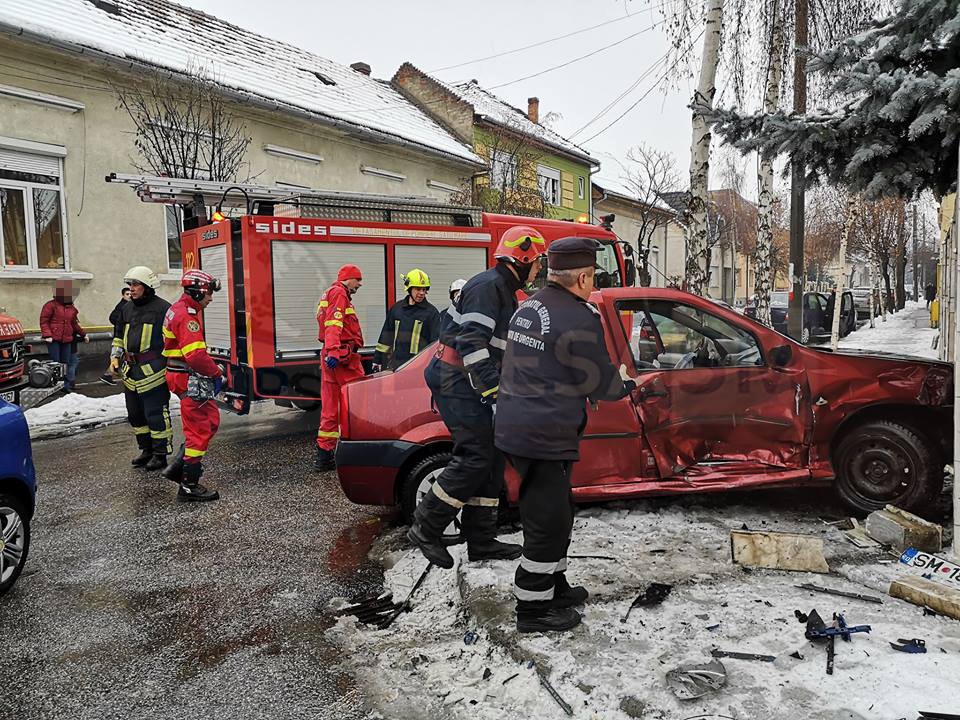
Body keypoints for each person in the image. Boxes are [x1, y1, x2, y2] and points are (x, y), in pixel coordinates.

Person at [495, 236, 637, 633]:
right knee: (548, 521)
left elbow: (547, 363)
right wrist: (624, 383)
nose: (593, 285)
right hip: (544, 432)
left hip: (518, 425)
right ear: (583, 278)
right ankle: (533, 609)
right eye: (592, 278)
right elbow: (598, 381)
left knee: (557, 513)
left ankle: (553, 586)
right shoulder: (578, 316)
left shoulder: (530, 306)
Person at [408, 225, 546, 570]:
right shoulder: (488, 288)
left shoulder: (503, 289)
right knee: (474, 455)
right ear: (523, 258)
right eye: (538, 261)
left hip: (463, 379)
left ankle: (481, 540)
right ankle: (426, 526)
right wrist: (495, 391)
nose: (540, 268)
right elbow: (472, 344)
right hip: (455, 378)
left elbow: (497, 347)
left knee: (491, 456)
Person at [160, 269, 223, 502]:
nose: (210, 298)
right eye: (208, 293)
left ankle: (179, 468)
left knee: (208, 422)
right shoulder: (186, 316)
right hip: (187, 377)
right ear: (197, 291)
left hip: (181, 376)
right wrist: (216, 372)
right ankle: (188, 484)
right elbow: (195, 355)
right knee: (200, 428)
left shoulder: (178, 310)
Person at [112, 266, 173, 470]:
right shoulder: (127, 308)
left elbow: (172, 340)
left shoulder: (163, 309)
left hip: (154, 371)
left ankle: (160, 454)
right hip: (130, 370)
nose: (132, 288)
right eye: (130, 284)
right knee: (135, 414)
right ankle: (146, 450)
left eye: (136, 284)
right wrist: (114, 357)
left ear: (147, 286)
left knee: (155, 413)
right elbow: (118, 334)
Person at [314, 264, 365, 471]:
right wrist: (335, 351)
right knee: (358, 404)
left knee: (330, 407)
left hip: (331, 357)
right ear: (348, 279)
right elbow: (333, 325)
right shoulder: (339, 293)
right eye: (357, 280)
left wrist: (331, 352)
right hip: (343, 358)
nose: (359, 284)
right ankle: (358, 454)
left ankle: (324, 455)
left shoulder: (330, 293)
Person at [372, 268, 441, 371]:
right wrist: (378, 360)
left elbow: (435, 344)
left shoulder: (431, 313)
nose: (422, 293)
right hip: (397, 366)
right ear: (409, 289)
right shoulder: (397, 309)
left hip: (420, 367)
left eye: (424, 289)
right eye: (418, 289)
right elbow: (386, 337)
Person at [39, 277, 89, 393]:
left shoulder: (72, 308)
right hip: (54, 340)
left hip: (67, 340)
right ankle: (54, 386)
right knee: (55, 363)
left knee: (65, 363)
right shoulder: (50, 305)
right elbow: (44, 321)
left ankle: (65, 386)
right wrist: (47, 335)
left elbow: (74, 324)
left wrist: (84, 334)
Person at [100, 287, 132, 385]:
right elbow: (113, 318)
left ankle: (109, 374)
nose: (129, 296)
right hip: (121, 336)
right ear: (123, 295)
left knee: (121, 356)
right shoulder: (122, 306)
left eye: (130, 294)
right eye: (127, 294)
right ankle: (108, 375)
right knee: (118, 356)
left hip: (125, 335)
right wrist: (121, 324)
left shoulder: (129, 305)